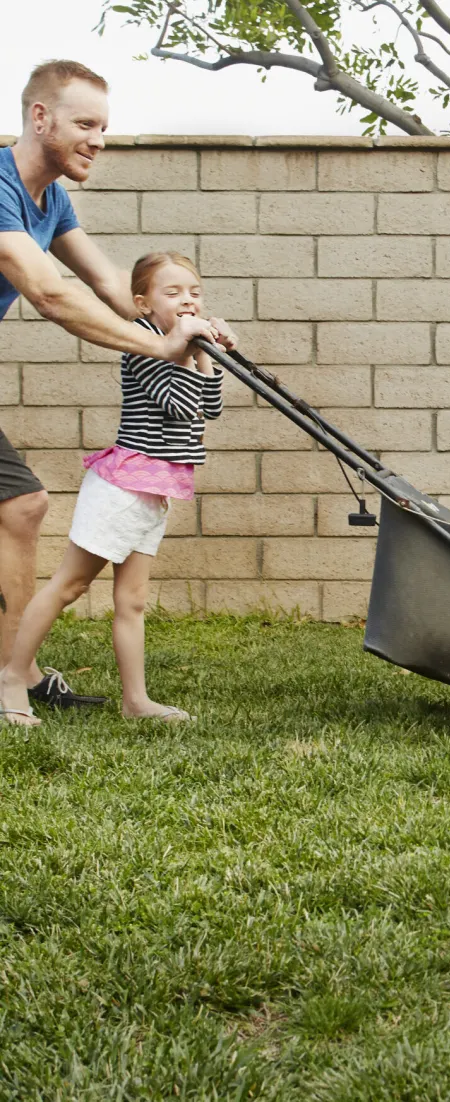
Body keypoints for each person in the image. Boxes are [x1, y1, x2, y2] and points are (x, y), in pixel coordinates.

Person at [0, 60, 214, 711]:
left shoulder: (51, 198)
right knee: (24, 507)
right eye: (85, 124)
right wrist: (159, 343)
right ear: (41, 118)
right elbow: (48, 292)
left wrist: (179, 311)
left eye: (105, 127)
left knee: (20, 508)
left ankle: (19, 672)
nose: (98, 139)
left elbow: (106, 285)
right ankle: (13, 677)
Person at [0, 252, 234, 726]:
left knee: (132, 601)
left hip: (153, 491)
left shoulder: (182, 347)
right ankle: (10, 678)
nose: (187, 301)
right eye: (173, 294)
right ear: (144, 304)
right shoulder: (145, 346)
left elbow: (211, 408)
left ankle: (136, 701)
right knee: (70, 585)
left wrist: (210, 353)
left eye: (194, 292)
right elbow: (179, 406)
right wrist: (189, 347)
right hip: (121, 488)